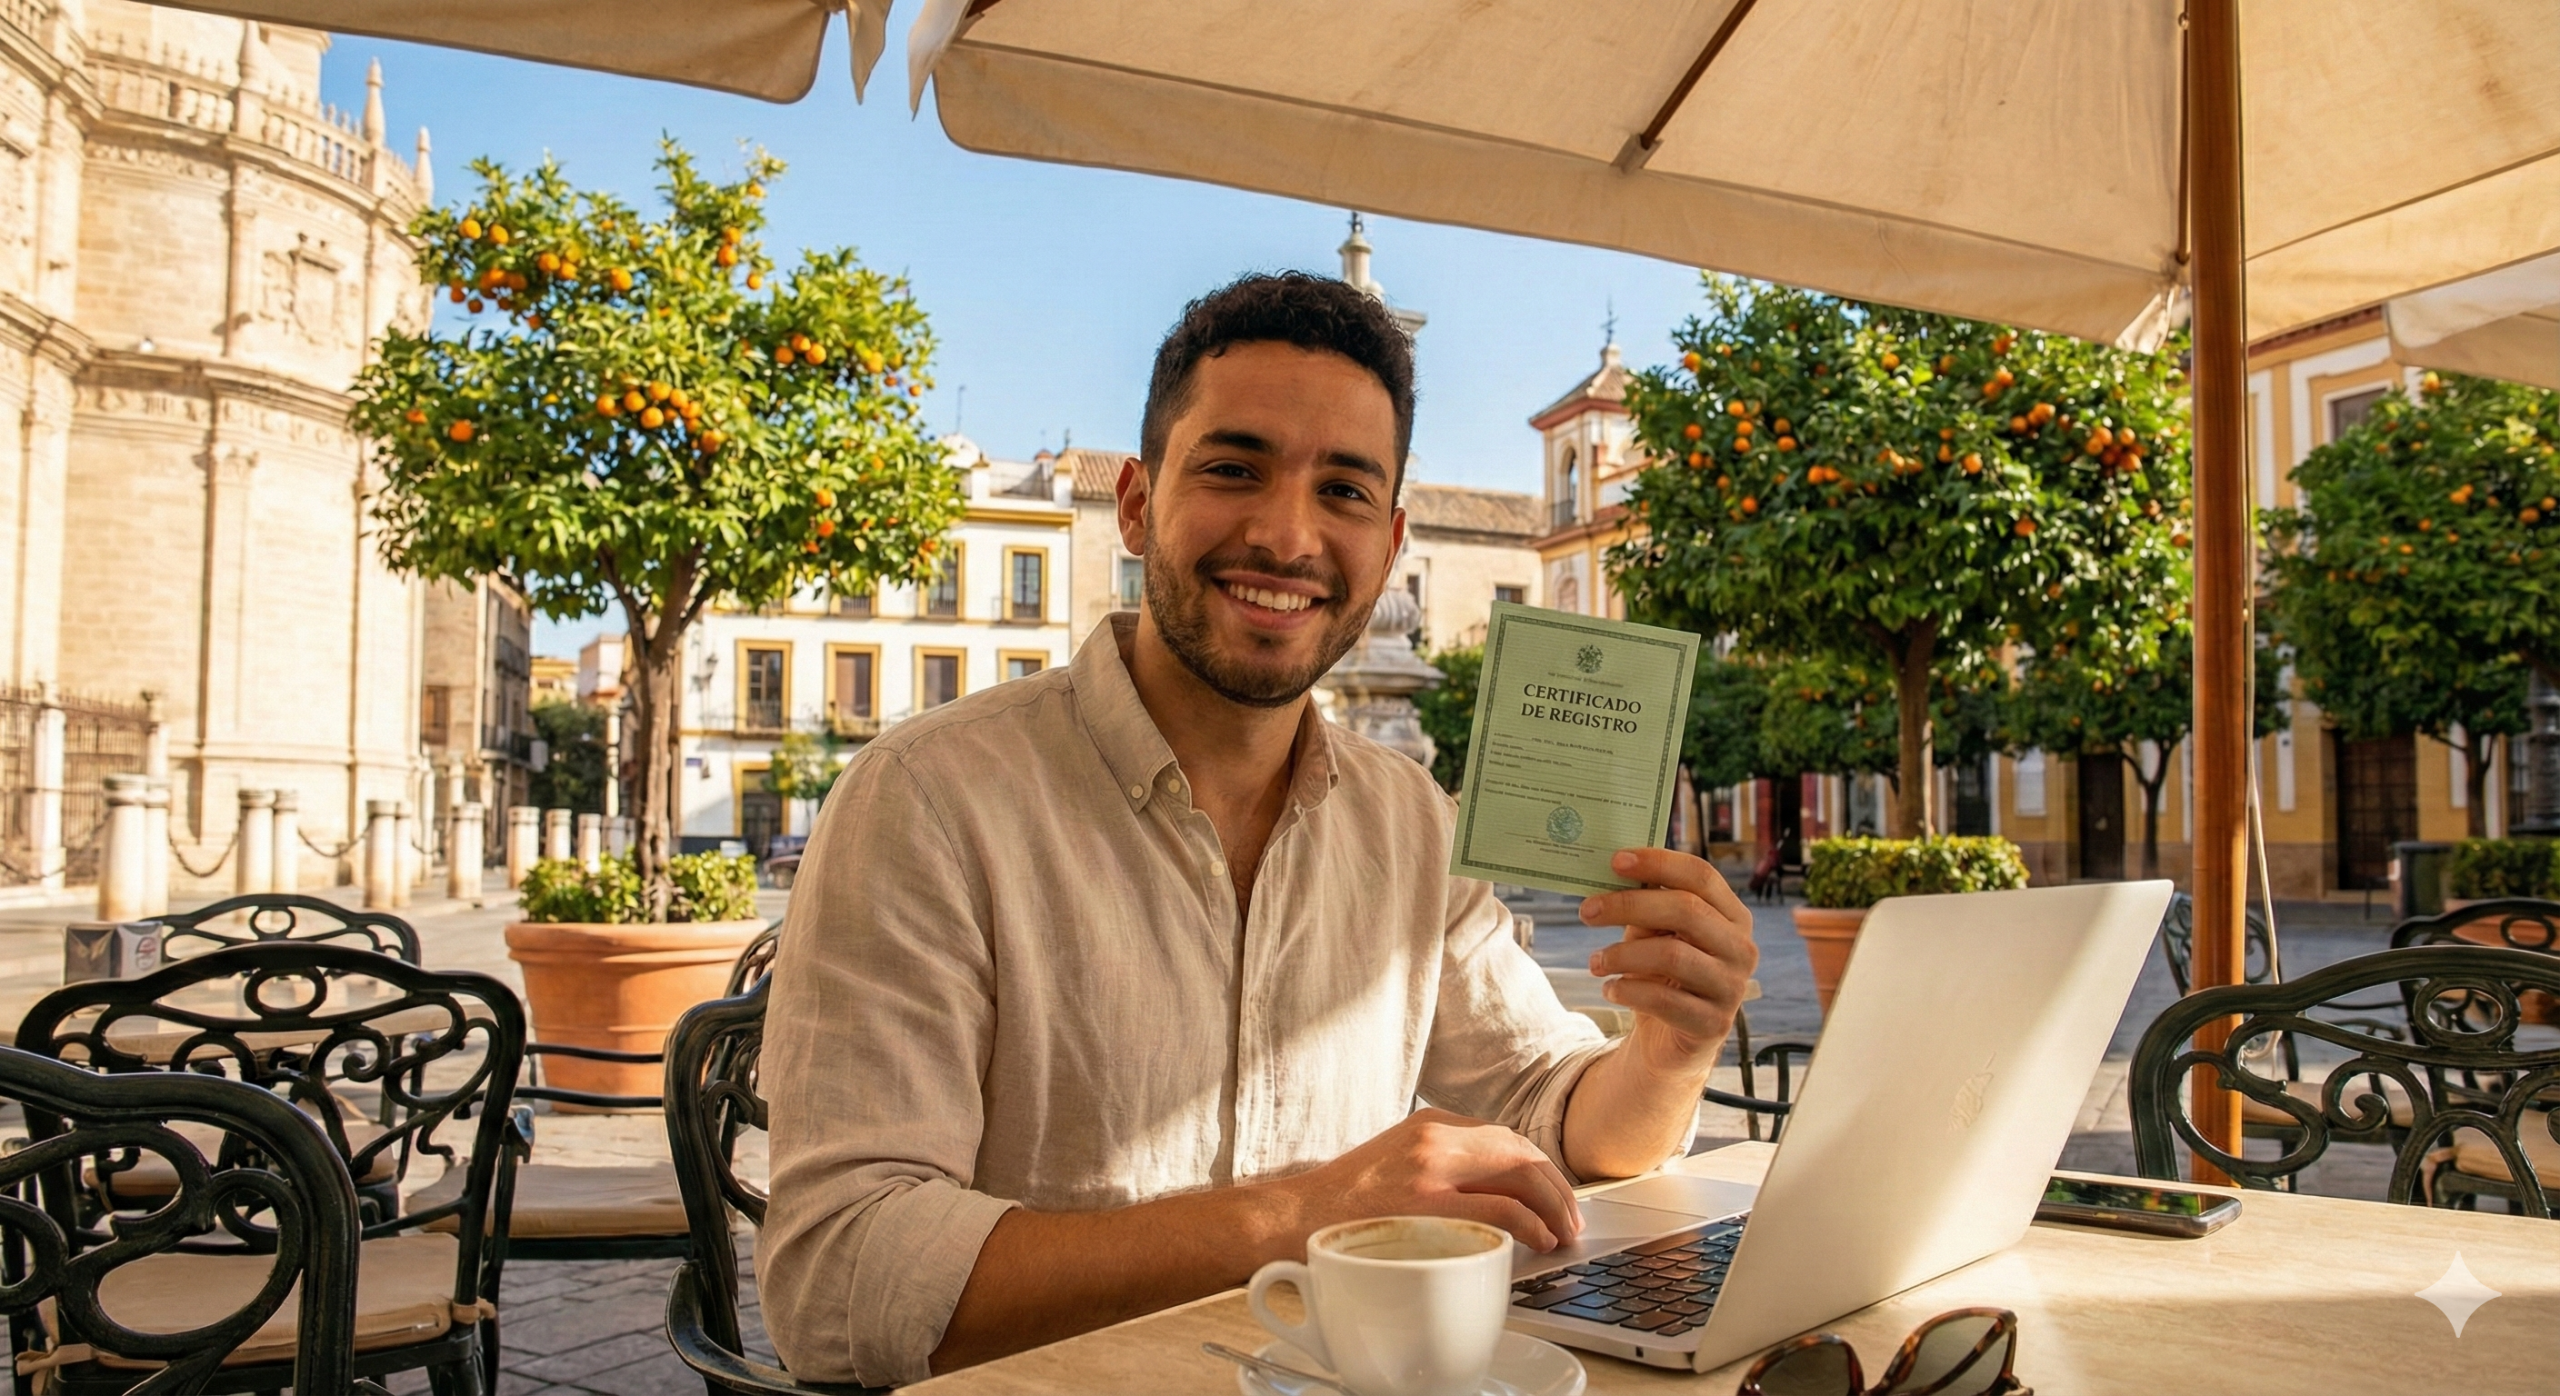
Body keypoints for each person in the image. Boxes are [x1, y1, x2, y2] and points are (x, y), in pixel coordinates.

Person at [762, 272, 1757, 1386]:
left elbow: (1558, 1111)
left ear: (1387, 546)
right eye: (1234, 469)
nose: (1287, 535)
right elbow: (839, 1280)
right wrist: (1306, 1213)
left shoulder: (1410, 826)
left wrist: (1673, 1045)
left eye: (1341, 491)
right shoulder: (929, 800)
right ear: (1136, 504)